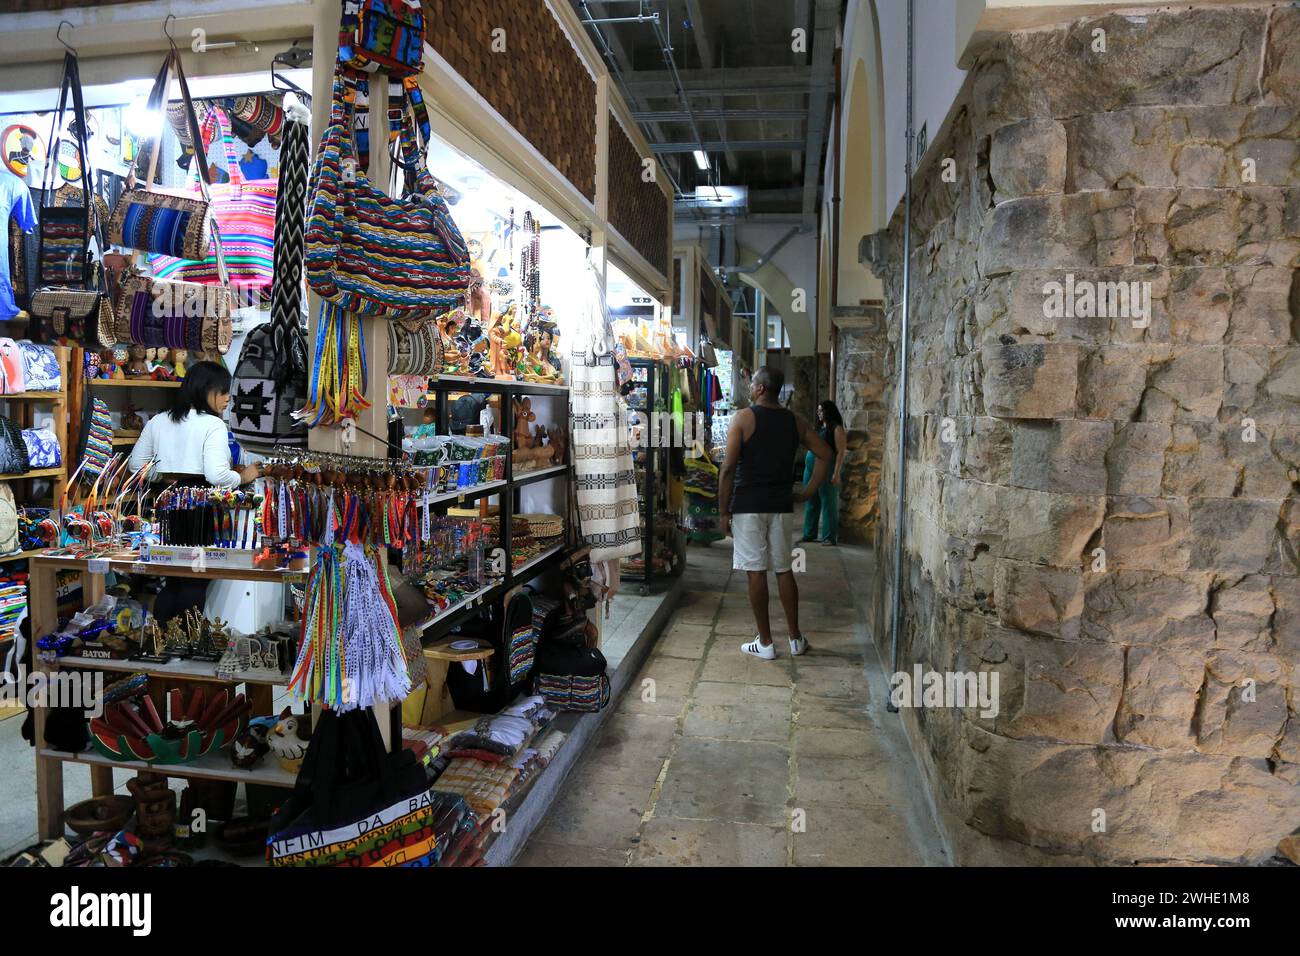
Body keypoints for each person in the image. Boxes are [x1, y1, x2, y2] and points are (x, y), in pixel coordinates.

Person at [128, 361, 262, 623]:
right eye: (223, 392)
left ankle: (163, 642)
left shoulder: (159, 420)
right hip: (202, 504)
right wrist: (244, 475)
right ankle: (187, 646)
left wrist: (167, 476)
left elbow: (137, 466)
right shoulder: (212, 425)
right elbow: (217, 476)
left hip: (169, 500)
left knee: (176, 578)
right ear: (205, 390)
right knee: (195, 579)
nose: (227, 399)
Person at [718, 366, 832, 660]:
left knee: (756, 572)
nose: (750, 387)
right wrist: (806, 493)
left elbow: (728, 468)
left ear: (759, 388)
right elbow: (825, 454)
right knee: (783, 569)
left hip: (748, 506)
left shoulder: (743, 419)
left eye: (752, 382)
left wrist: (722, 511)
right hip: (781, 506)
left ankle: (766, 643)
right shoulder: (795, 421)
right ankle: (795, 639)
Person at [801, 400, 848, 546]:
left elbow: (840, 452)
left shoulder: (837, 428)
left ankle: (829, 537)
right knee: (811, 499)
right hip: (811, 468)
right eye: (818, 410)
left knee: (828, 502)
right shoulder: (821, 427)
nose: (818, 413)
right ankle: (809, 533)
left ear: (829, 411)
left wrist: (836, 473)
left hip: (826, 468)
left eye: (821, 410)